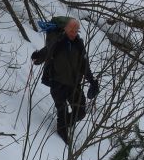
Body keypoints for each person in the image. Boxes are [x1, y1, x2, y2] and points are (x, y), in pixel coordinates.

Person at [31, 17, 99, 145]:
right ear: (66, 29)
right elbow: (46, 51)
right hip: (58, 83)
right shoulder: (58, 41)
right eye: (71, 30)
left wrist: (92, 80)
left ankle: (63, 123)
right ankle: (61, 130)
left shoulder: (79, 44)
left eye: (76, 30)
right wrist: (37, 58)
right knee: (61, 109)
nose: (73, 33)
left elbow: (84, 65)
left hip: (74, 85)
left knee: (80, 112)